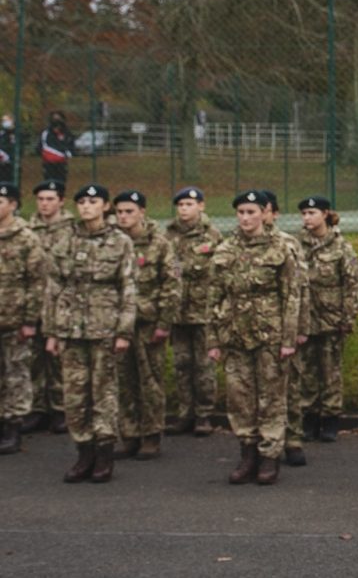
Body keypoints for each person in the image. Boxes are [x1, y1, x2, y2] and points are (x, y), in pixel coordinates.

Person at [206, 191, 301, 486]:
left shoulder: (280, 248)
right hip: (234, 334)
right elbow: (214, 296)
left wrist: (288, 338)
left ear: (264, 212)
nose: (245, 218)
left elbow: (292, 295)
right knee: (239, 398)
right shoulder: (225, 249)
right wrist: (213, 340)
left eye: (251, 212)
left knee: (271, 398)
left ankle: (270, 456)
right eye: (241, 212)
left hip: (269, 334)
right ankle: (247, 454)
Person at [43, 184, 136, 483]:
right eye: (81, 201)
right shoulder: (65, 239)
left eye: (93, 202)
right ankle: (84, 452)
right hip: (71, 327)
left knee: (104, 392)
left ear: (105, 206)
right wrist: (52, 331)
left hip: (104, 327)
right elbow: (53, 287)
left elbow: (129, 287)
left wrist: (124, 331)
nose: (86, 207)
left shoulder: (119, 242)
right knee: (74, 393)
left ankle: (104, 453)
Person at [110, 190, 177, 461]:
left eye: (129, 211)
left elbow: (171, 285)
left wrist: (164, 322)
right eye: (119, 212)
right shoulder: (111, 243)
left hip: (147, 322)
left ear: (142, 212)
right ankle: (129, 434)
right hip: (117, 324)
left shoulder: (159, 244)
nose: (123, 216)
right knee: (124, 381)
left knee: (150, 381)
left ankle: (151, 435)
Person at [295, 196, 358, 445]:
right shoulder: (296, 245)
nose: (307, 218)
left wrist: (348, 316)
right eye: (304, 214)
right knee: (307, 371)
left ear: (325, 214)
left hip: (331, 317)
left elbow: (352, 283)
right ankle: (309, 417)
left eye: (311, 212)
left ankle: (331, 418)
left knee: (330, 370)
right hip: (304, 317)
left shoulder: (340, 246)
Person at [258, 191, 311, 468]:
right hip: (258, 329)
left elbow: (300, 288)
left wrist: (301, 328)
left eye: (263, 210)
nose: (259, 215)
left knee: (289, 385)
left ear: (273, 213)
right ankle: (264, 443)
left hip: (285, 326)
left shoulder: (289, 243)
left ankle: (293, 439)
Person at [165, 187, 223, 437]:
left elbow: (220, 273)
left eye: (189, 204)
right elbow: (166, 269)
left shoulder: (212, 235)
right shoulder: (168, 235)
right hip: (177, 311)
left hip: (203, 310)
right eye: (181, 205)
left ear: (201, 206)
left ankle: (204, 414)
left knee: (204, 365)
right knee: (181, 363)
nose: (184, 209)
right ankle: (184, 413)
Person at [0, 182, 46, 455]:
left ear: (13, 205)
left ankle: (13, 426)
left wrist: (30, 320)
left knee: (16, 374)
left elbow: (37, 282)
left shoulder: (26, 238)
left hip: (14, 319)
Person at [24, 179, 73, 435]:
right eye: (41, 199)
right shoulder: (27, 229)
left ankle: (61, 408)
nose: (44, 204)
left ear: (61, 201)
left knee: (59, 359)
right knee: (33, 358)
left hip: (60, 303)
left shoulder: (71, 228)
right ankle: (36, 408)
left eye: (50, 199)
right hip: (34, 302)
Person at [38, 111, 74, 184]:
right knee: (49, 181)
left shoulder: (66, 133)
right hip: (49, 163)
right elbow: (42, 146)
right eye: (54, 118)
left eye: (59, 118)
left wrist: (68, 152)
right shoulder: (46, 133)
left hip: (61, 163)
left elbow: (70, 144)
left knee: (61, 181)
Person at [0, 114, 17, 181]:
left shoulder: (17, 134)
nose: (5, 122)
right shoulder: (1, 134)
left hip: (12, 164)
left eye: (7, 120)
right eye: (3, 120)